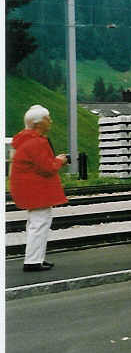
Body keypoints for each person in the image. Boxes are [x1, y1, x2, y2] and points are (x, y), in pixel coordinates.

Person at [9, 105, 69, 272]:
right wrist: (60, 161)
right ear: (38, 123)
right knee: (40, 223)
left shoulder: (25, 140)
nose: (50, 121)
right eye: (47, 118)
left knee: (35, 223)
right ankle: (33, 261)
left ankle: (36, 258)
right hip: (36, 189)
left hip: (28, 188)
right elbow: (47, 168)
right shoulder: (36, 142)